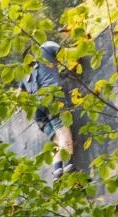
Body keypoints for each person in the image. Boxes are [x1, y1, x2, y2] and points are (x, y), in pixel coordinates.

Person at [22, 40, 76, 178]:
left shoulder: (24, 74)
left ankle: (57, 169)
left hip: (37, 110)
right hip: (51, 98)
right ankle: (68, 164)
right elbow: (68, 54)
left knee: (57, 139)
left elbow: (20, 96)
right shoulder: (46, 47)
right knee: (63, 131)